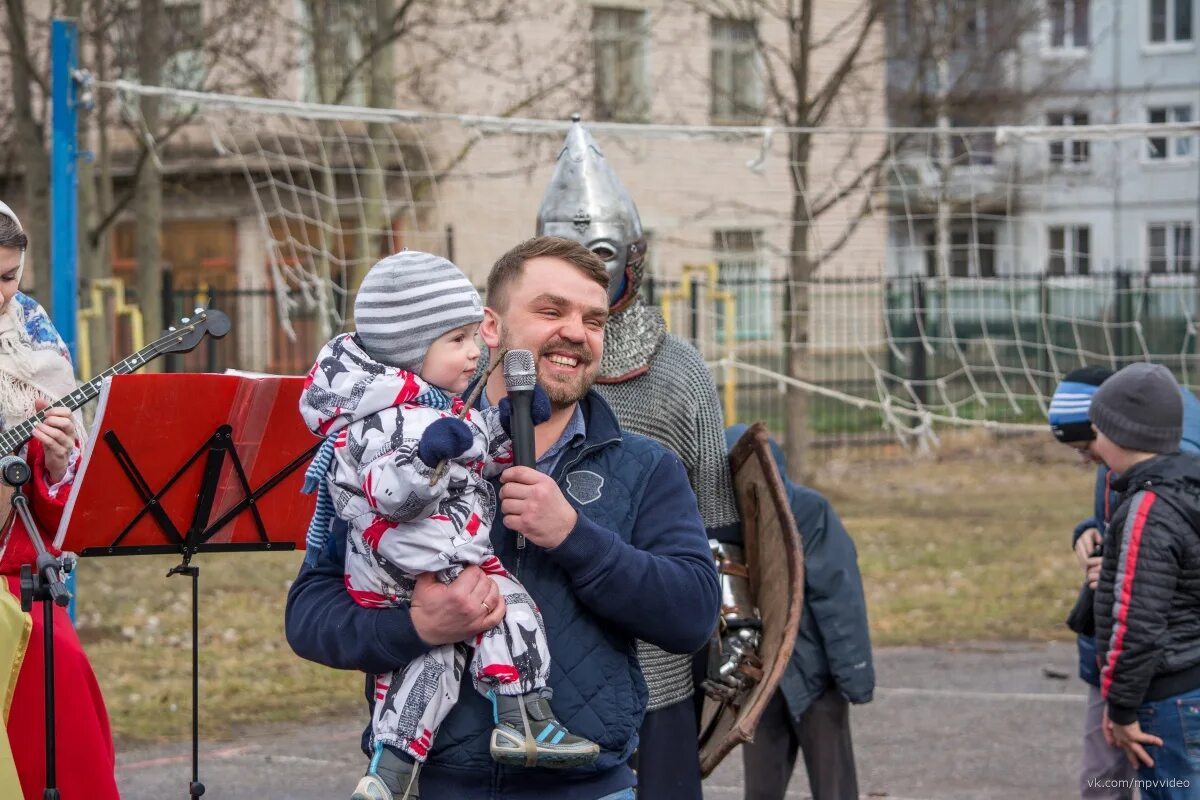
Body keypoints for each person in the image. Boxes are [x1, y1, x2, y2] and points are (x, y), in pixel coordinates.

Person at [285, 235, 720, 800]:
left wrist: (574, 537)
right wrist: (416, 628)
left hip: (589, 787)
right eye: (549, 310)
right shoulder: (402, 447)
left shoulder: (643, 467)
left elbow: (691, 616)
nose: (575, 332)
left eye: (593, 319)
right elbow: (309, 616)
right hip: (433, 785)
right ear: (489, 327)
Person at [298, 251, 598, 799]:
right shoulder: (378, 421)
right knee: (460, 640)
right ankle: (494, 728)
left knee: (461, 649)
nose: (476, 351)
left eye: (471, 336)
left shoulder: (439, 407)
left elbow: (476, 458)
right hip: (404, 566)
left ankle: (491, 732)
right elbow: (388, 492)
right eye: (456, 340)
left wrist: (505, 432)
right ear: (413, 350)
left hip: (451, 554)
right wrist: (426, 461)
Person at [536, 116, 747, 798]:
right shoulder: (500, 369)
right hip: (535, 652)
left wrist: (734, 625)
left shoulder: (678, 371)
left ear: (634, 253)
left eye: (599, 251)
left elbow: (716, 523)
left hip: (653, 649)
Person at [0, 200, 119, 799]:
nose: (0, 294)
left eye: (8, 276)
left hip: (19, 576)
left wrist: (51, 462)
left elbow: (61, 509)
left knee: (58, 667)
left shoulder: (36, 336)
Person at [1050, 366, 1200, 800]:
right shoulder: (1182, 486)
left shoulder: (1146, 510)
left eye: (1094, 433)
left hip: (1163, 698)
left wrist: (1120, 708)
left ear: (1116, 434)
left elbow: (1137, 621)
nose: (1090, 448)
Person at [723, 424, 873, 800]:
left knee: (833, 786)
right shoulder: (725, 524)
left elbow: (838, 597)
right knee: (762, 790)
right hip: (762, 676)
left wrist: (852, 674)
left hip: (816, 675)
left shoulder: (809, 512)